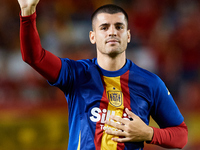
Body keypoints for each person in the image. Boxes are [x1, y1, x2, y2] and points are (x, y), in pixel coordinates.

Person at [17, 0, 188, 149]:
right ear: (93, 36)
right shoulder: (76, 74)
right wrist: (27, 13)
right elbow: (34, 57)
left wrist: (149, 133)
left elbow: (181, 136)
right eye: (104, 27)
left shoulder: (151, 83)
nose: (112, 32)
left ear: (128, 36)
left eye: (119, 27)